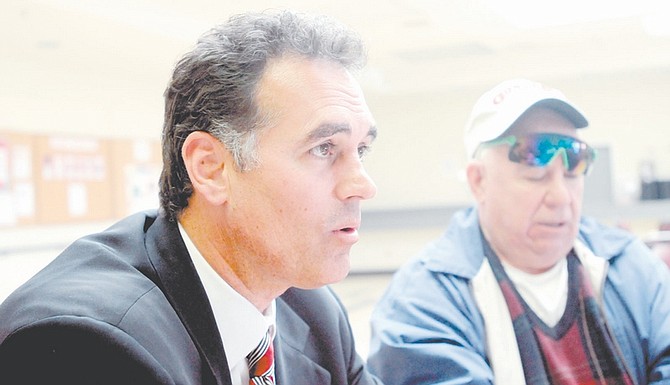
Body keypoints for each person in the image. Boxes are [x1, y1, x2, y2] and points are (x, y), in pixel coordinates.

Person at [0, 10, 382, 385]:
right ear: (211, 168)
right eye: (324, 148)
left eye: (360, 150)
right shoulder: (84, 346)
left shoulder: (310, 310)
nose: (362, 185)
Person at [367, 78, 670, 384]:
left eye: (572, 171)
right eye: (536, 173)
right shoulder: (423, 303)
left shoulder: (627, 263)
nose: (561, 197)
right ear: (479, 181)